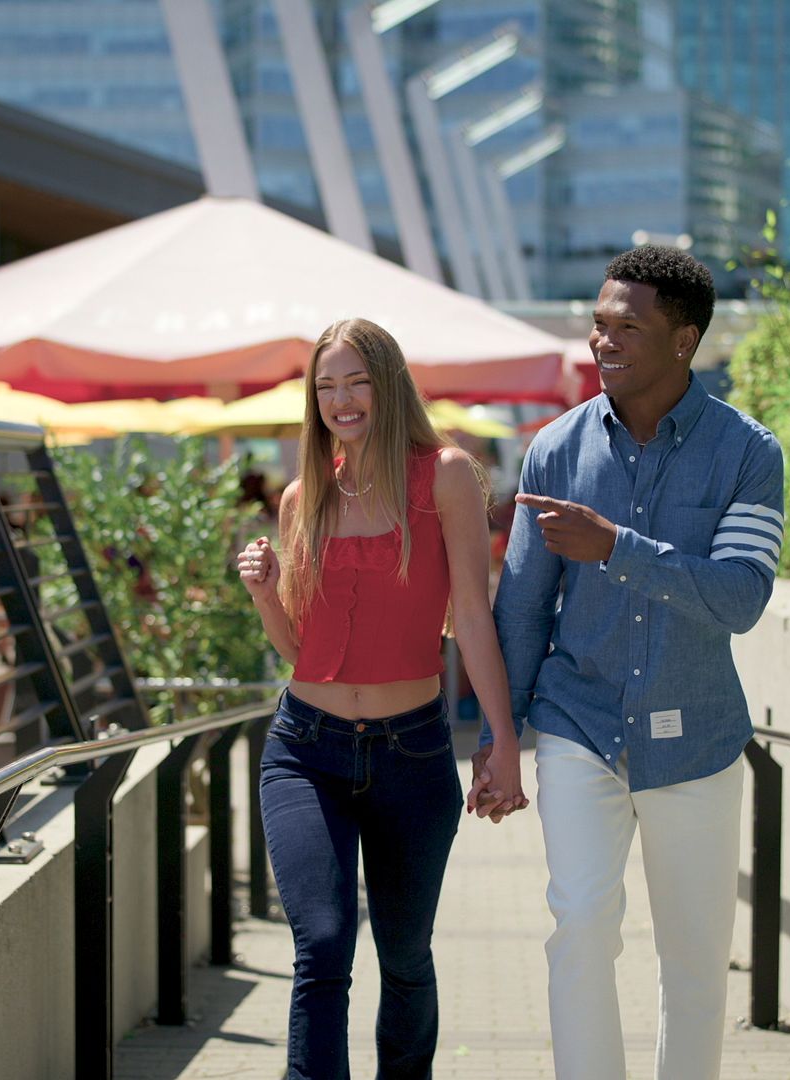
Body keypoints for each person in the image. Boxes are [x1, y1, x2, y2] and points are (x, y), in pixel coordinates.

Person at [479, 245, 784, 1079]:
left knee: (694, 958)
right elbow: (523, 610)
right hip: (579, 724)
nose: (602, 343)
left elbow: (742, 598)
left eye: (627, 328)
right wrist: (499, 737)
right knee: (579, 921)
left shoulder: (749, 454)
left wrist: (618, 548)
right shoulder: (555, 449)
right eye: (598, 324)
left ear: (683, 340)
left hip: (696, 743)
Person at [235, 317, 524, 1079]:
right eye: (326, 386)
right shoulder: (305, 496)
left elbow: (472, 618)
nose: (341, 399)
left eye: (356, 380)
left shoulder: (447, 475)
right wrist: (266, 596)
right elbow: (304, 653)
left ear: (388, 383)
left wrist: (504, 743)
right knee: (323, 947)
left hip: (413, 752)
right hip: (305, 750)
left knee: (404, 956)